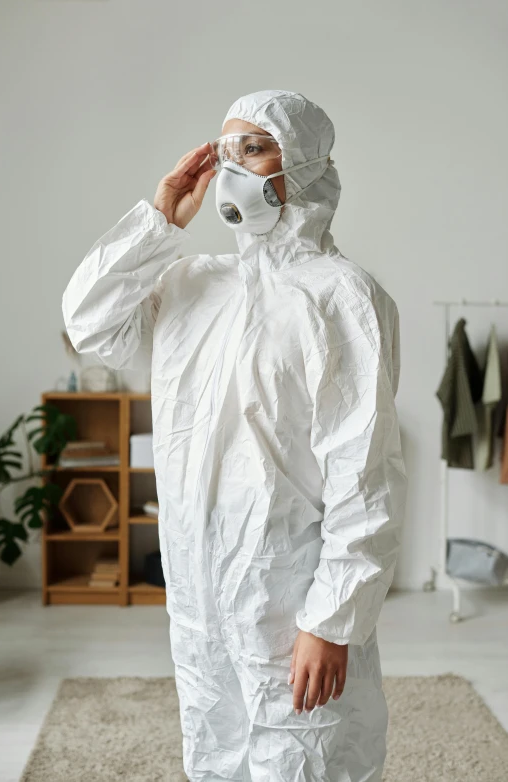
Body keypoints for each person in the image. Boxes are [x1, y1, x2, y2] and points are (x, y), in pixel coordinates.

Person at [62, 89, 408, 782]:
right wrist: (159, 219)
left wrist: (331, 622)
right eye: (223, 154)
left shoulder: (341, 295)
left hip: (291, 596)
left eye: (252, 148)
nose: (232, 169)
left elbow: (364, 474)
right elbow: (90, 326)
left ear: (306, 164)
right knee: (215, 758)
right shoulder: (193, 282)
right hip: (199, 598)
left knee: (308, 759)